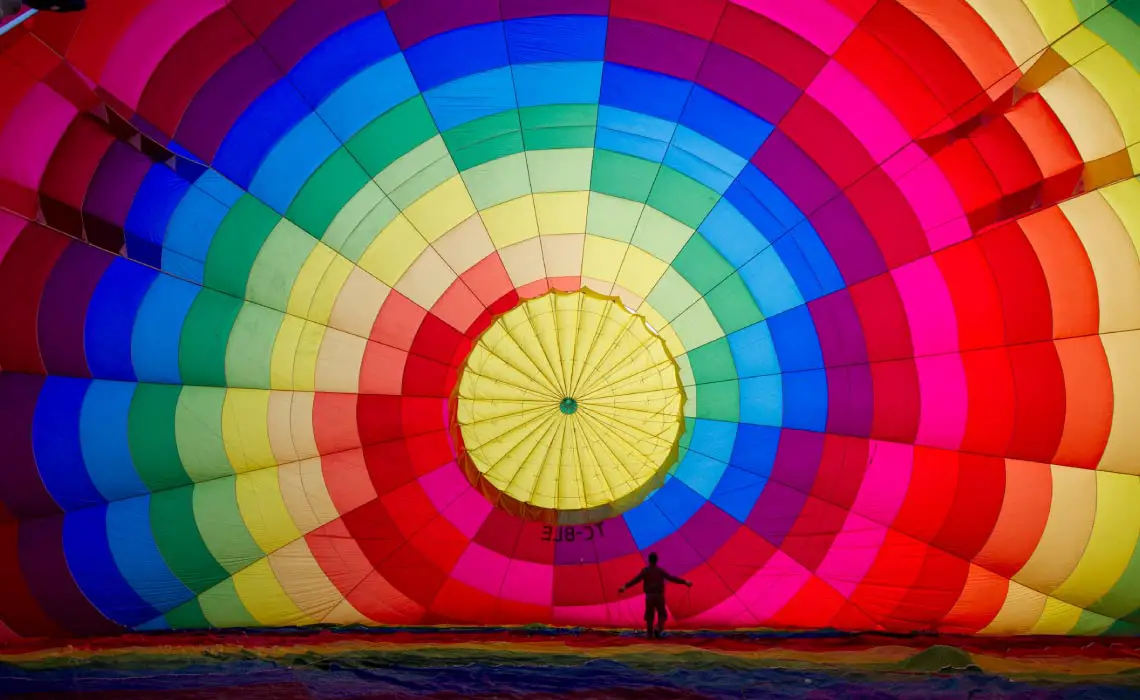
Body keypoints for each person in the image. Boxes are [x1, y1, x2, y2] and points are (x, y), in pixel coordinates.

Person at [618, 552, 692, 639]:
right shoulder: (660, 571)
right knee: (662, 614)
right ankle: (658, 628)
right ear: (657, 560)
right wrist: (684, 582)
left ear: (648, 560)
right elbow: (671, 578)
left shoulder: (645, 571)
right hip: (659, 595)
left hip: (649, 596)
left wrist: (625, 586)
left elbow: (636, 580)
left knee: (649, 615)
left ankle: (649, 634)